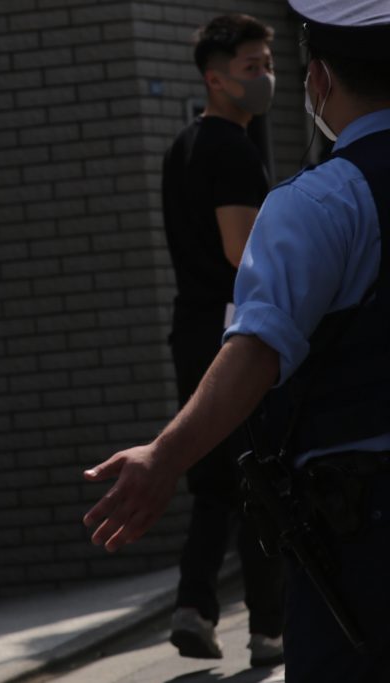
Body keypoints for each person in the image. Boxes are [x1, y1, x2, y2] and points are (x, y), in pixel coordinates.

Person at [83, 1, 390, 679]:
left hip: (363, 518)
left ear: (318, 80)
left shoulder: (321, 199)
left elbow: (258, 345)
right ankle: (243, 616)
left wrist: (162, 454)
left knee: (226, 486)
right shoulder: (236, 154)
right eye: (253, 66)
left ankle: (236, 613)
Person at [161, 14, 284, 665]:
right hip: (235, 332)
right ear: (214, 77)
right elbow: (243, 250)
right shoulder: (233, 150)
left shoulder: (183, 146)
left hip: (192, 328)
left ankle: (195, 604)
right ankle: (269, 627)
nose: (264, 75)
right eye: (250, 67)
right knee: (258, 472)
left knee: (213, 477)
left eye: (267, 62)